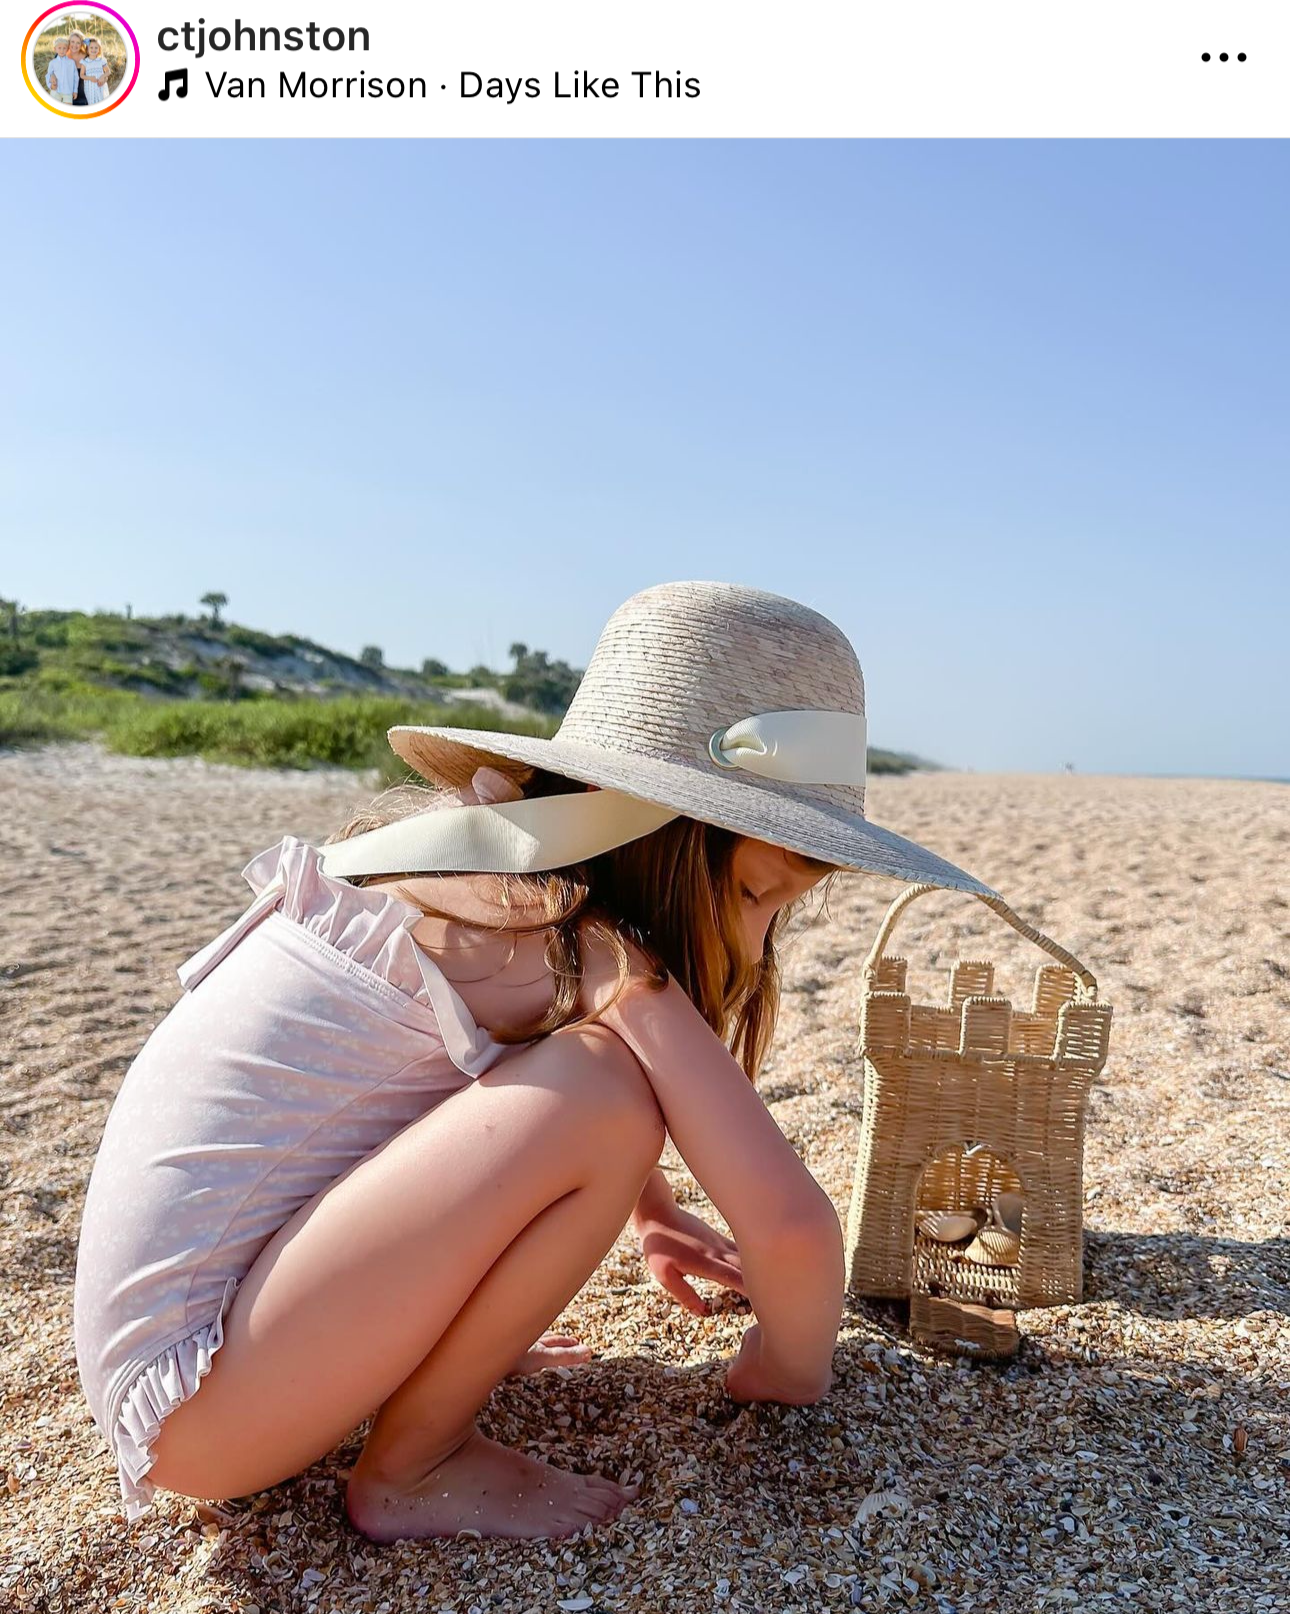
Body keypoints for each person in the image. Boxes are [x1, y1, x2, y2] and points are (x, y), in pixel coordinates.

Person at [71, 580, 995, 1540]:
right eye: (758, 892)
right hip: (201, 1408)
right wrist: (786, 1368)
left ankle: (419, 1380)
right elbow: (796, 1231)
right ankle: (413, 1468)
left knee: (598, 1082)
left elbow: (434, 1113)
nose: (758, 948)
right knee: (602, 1091)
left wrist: (655, 1211)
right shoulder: (569, 943)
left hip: (189, 1359)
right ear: (657, 838)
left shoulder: (476, 885)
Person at [44, 37, 80, 105]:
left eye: (64, 48)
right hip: (56, 91)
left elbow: (76, 77)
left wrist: (75, 91)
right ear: (55, 49)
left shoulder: (71, 62)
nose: (62, 50)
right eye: (59, 48)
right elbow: (48, 75)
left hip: (68, 91)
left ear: (67, 49)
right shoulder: (52, 63)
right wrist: (50, 85)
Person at [81, 37, 109, 105]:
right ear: (87, 49)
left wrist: (103, 77)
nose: (94, 49)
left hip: (100, 85)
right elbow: (81, 75)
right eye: (91, 47)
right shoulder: (85, 62)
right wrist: (90, 78)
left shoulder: (101, 60)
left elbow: (108, 71)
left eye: (96, 48)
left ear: (99, 49)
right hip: (90, 87)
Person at [67, 31, 89, 108]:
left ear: (81, 44)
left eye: (78, 43)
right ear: (69, 42)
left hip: (85, 98)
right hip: (67, 98)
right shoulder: (61, 55)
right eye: (72, 42)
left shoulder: (87, 57)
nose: (74, 45)